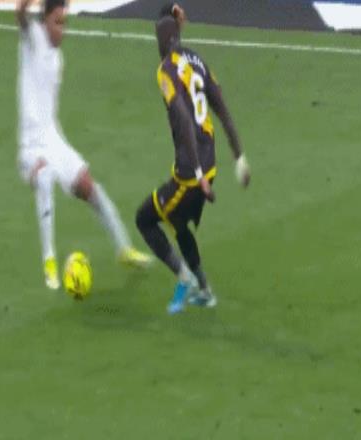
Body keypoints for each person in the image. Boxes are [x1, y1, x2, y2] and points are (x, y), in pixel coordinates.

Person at [16, 0, 151, 290]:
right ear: (44, 21)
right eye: (57, 22)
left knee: (90, 187)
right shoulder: (33, 39)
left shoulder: (58, 59)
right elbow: (21, 15)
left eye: (64, 23)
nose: (61, 30)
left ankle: (124, 249)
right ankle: (49, 261)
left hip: (53, 139)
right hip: (31, 145)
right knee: (44, 176)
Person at [136, 5, 251, 314]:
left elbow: (184, 119)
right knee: (177, 221)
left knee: (145, 219)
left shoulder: (165, 71)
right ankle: (205, 291)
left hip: (192, 172)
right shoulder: (197, 60)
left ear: (163, 40)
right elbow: (222, 108)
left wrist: (198, 174)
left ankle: (185, 278)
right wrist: (239, 156)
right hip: (210, 164)